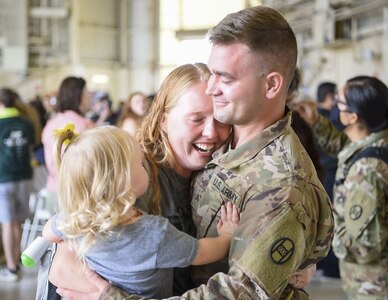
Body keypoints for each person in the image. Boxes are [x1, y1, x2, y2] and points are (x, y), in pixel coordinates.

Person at [57, 6, 334, 300]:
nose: (212, 89)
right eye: (212, 74)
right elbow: (65, 261)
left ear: (272, 84)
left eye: (225, 78)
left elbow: (237, 294)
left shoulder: (284, 185)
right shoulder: (164, 165)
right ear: (163, 119)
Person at [36, 63, 232, 300]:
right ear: (163, 121)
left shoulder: (218, 174)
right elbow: (62, 271)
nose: (211, 132)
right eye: (196, 119)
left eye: (221, 119)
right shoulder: (130, 180)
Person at [42, 125, 239, 298]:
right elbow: (202, 252)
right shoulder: (155, 234)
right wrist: (227, 236)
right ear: (122, 181)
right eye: (139, 163)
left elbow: (48, 232)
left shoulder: (75, 220)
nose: (145, 165)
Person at [296, 75, 388, 299]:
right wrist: (317, 121)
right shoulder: (376, 142)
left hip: (372, 286)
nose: (334, 106)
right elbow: (345, 145)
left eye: (339, 102)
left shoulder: (367, 170)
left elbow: (366, 247)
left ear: (353, 116)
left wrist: (325, 236)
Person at [41, 76, 90, 215]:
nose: (89, 97)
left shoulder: (52, 122)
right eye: (87, 93)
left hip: (53, 189)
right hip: (75, 192)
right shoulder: (81, 124)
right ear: (78, 96)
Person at [0, 88, 35, 282]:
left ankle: (11, 268)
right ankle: (18, 262)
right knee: (18, 222)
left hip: (3, 177)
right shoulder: (26, 123)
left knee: (7, 223)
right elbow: (30, 146)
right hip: (24, 176)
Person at [315, 81, 341, 279]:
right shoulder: (331, 121)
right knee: (332, 220)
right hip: (330, 174)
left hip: (316, 176)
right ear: (330, 97)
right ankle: (332, 265)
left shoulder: (309, 117)